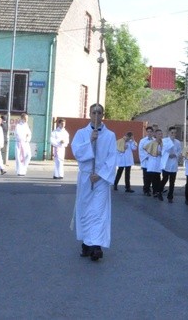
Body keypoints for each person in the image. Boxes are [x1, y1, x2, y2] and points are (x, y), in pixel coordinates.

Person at [71, 103, 116, 261]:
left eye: (99, 112)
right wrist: (90, 141)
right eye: (93, 112)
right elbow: (77, 152)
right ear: (89, 114)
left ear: (103, 115)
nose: (96, 115)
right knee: (85, 210)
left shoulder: (110, 136)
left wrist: (101, 174)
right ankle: (86, 243)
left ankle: (96, 246)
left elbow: (112, 158)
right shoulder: (81, 133)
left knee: (98, 211)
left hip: (101, 179)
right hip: (85, 178)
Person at [159, 127, 181, 202]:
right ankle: (159, 192)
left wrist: (175, 155)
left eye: (175, 133)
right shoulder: (164, 141)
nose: (173, 134)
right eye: (172, 132)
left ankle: (170, 197)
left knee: (172, 182)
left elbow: (179, 152)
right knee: (164, 179)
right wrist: (168, 155)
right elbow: (162, 150)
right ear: (169, 133)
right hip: (166, 163)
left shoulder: (177, 142)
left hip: (174, 163)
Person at [137, 127, 155, 196]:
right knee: (146, 176)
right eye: (148, 131)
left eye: (151, 131)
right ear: (146, 132)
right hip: (146, 161)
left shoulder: (154, 140)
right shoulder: (143, 141)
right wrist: (146, 156)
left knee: (151, 176)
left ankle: (149, 188)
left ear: (153, 132)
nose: (149, 133)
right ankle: (146, 189)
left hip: (153, 160)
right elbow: (141, 150)